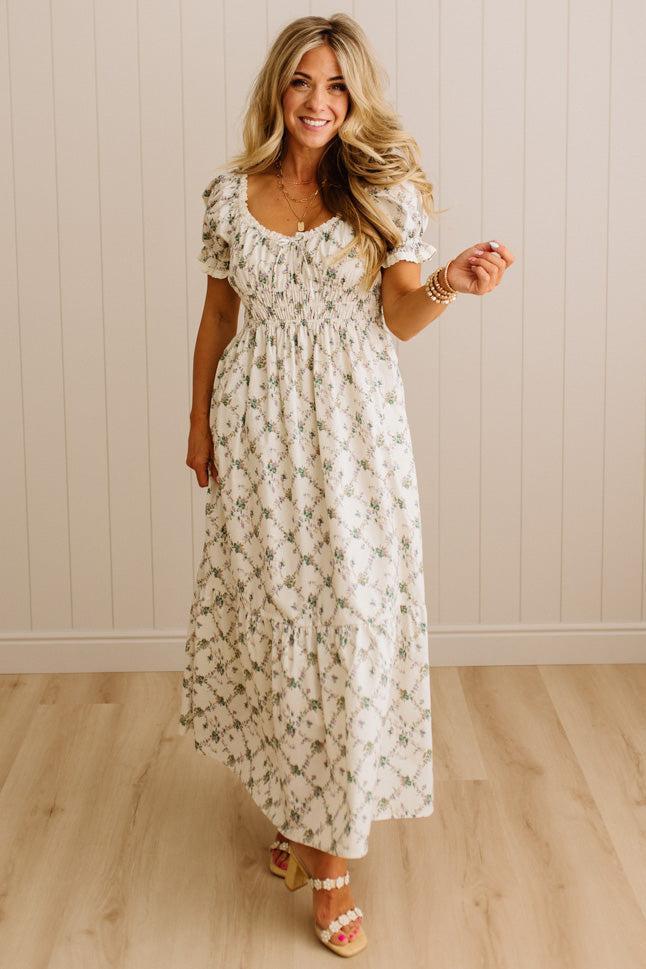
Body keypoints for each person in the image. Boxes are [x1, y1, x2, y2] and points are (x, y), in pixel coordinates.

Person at [178, 12, 514, 958]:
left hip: (354, 442)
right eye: (301, 84)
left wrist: (447, 279)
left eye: (335, 86)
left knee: (350, 636)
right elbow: (215, 315)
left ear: (354, 96)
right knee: (280, 626)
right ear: (276, 93)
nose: (318, 102)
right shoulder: (227, 195)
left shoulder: (383, 190)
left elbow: (400, 317)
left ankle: (331, 866)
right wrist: (199, 419)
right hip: (256, 438)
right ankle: (300, 815)